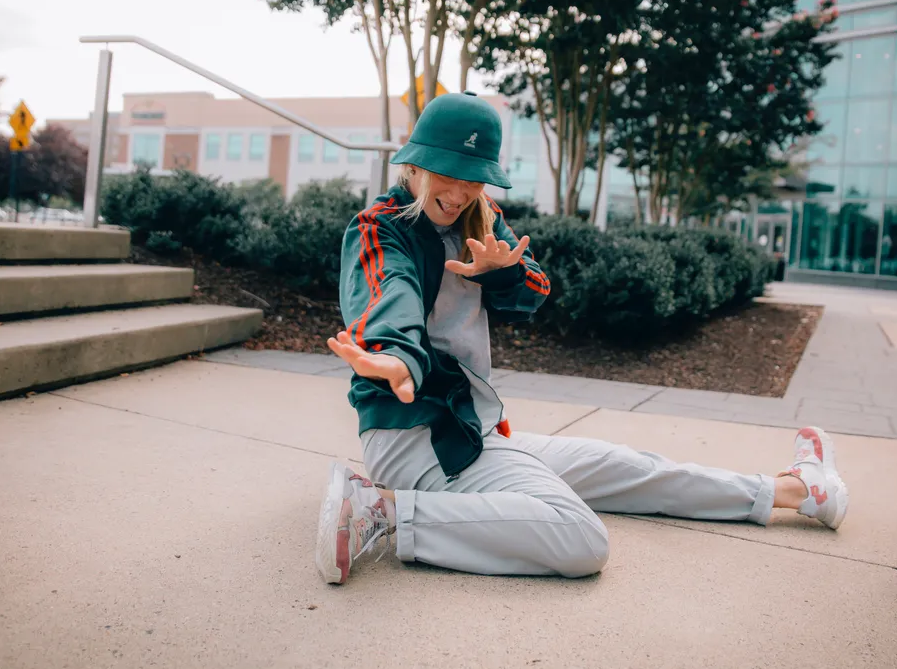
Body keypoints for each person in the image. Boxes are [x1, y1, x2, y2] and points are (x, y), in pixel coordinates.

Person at [315, 93, 849, 584]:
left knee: (627, 467)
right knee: (579, 536)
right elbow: (390, 293)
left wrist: (500, 273)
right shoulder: (380, 227)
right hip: (419, 438)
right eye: (445, 174)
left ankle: (797, 491)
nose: (456, 192)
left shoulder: (482, 217)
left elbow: (536, 287)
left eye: (472, 177)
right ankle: (377, 511)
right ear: (414, 163)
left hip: (473, 432)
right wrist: (396, 356)